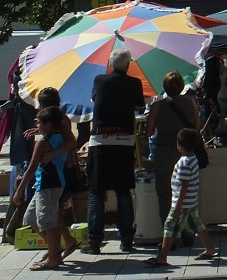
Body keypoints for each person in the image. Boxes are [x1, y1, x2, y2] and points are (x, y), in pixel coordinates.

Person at [82, 48, 144, 254]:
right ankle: (126, 240)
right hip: (124, 142)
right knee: (123, 191)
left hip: (100, 142)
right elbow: (139, 105)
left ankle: (94, 242)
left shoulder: (100, 80)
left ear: (110, 64)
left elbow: (94, 98)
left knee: (96, 193)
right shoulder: (134, 83)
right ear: (128, 65)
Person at [144, 128, 217, 267]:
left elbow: (184, 185)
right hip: (191, 201)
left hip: (182, 203)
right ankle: (210, 248)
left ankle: (162, 257)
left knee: (169, 226)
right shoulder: (194, 158)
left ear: (179, 145)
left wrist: (178, 205)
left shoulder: (184, 162)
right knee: (197, 225)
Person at [13, 107, 72, 270]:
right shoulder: (60, 138)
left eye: (38, 123)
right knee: (31, 218)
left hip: (49, 185)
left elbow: (31, 168)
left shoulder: (43, 143)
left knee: (47, 222)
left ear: (47, 124)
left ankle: (53, 257)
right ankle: (55, 249)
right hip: (47, 184)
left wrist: (18, 192)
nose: (36, 126)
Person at [145, 71, 201, 227]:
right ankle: (187, 231)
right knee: (188, 193)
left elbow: (148, 133)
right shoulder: (191, 103)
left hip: (164, 153)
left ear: (164, 87)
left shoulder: (157, 106)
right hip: (187, 152)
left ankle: (169, 232)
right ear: (182, 86)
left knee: (165, 195)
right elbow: (197, 127)